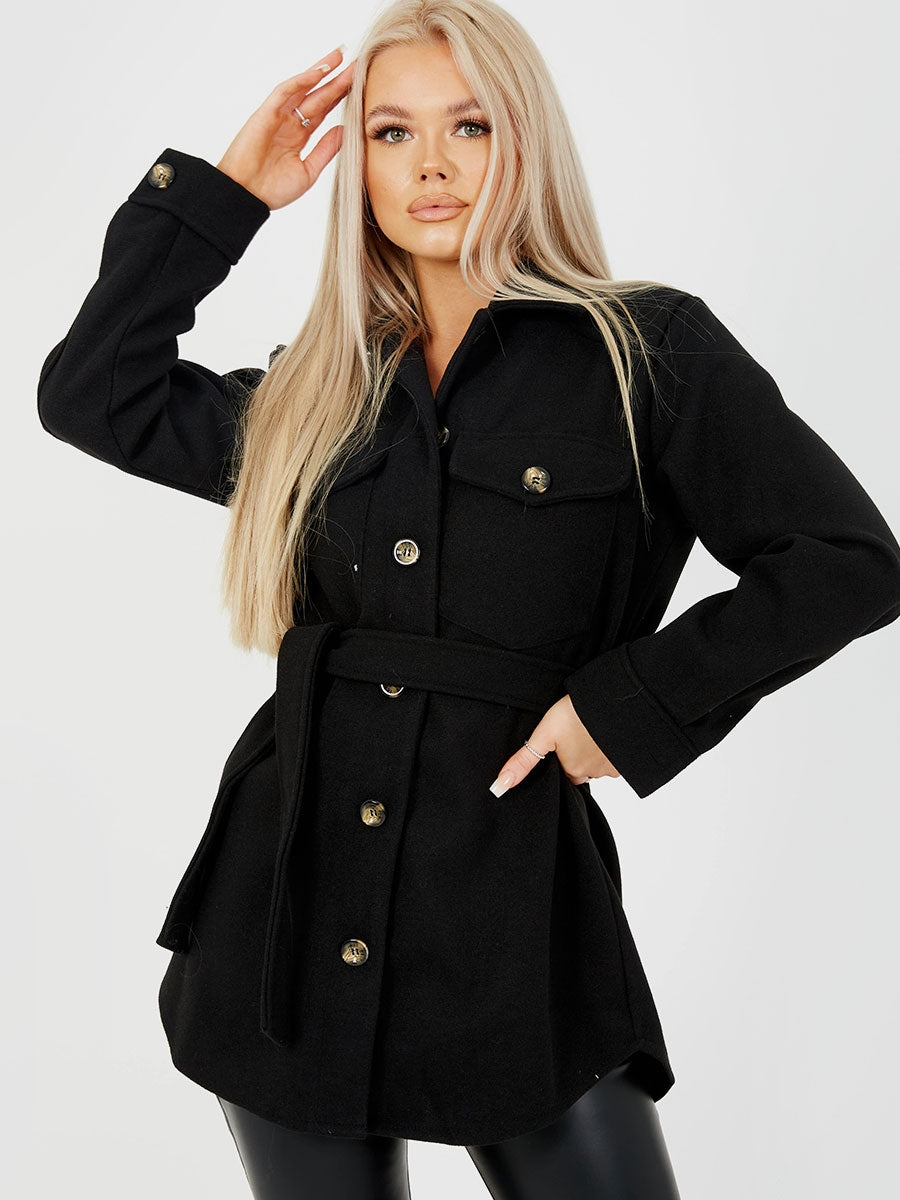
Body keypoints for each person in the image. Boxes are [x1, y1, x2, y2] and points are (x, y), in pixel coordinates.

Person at [35, 0, 900, 1197]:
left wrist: (626, 707)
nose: (430, 164)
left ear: (523, 142)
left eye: (470, 125)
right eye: (391, 132)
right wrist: (226, 198)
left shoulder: (646, 352)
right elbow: (94, 393)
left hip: (513, 912)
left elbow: (845, 559)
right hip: (283, 914)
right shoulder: (317, 392)